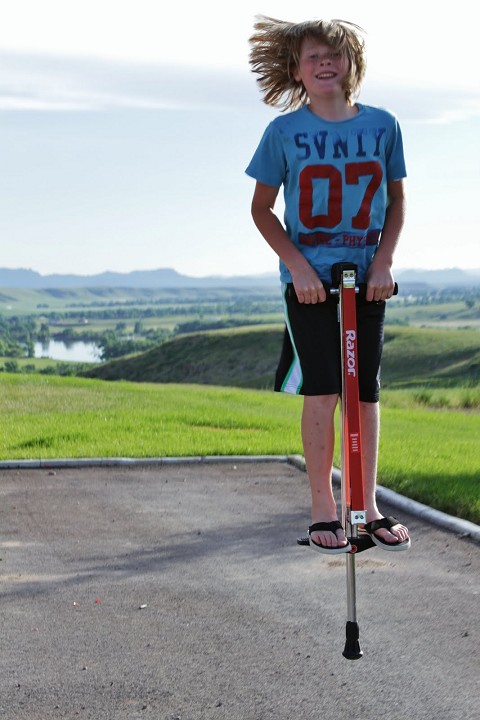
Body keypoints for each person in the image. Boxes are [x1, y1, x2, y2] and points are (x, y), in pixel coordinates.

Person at [245, 16, 410, 553]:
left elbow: (397, 200)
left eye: (333, 54)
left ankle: (367, 504)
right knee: (323, 390)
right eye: (312, 56)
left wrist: (384, 261)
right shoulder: (283, 132)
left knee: (365, 392)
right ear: (296, 69)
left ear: (350, 63)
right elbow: (262, 209)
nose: (323, 63)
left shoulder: (383, 125)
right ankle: (323, 507)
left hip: (368, 280)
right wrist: (296, 266)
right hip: (311, 283)